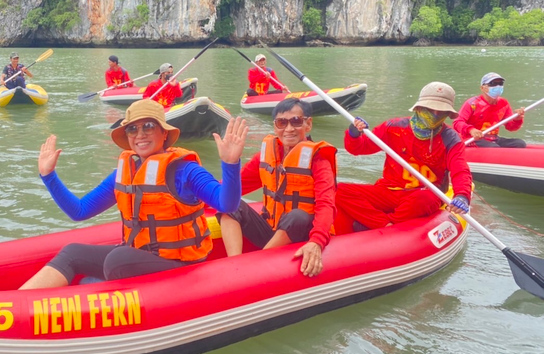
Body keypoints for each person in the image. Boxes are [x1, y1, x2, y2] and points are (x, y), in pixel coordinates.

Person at [19, 99, 248, 289]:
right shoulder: (124, 172)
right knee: (72, 253)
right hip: (137, 256)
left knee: (118, 260)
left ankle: (93, 285)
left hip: (179, 262)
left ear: (164, 133)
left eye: (148, 126)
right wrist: (48, 176)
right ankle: (20, 303)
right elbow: (80, 211)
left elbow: (226, 204)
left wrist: (231, 164)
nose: (140, 134)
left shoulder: (185, 170)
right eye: (132, 128)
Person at [334, 82, 473, 234]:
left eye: (440, 111)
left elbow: (460, 171)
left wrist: (462, 195)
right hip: (388, 190)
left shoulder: (451, 139)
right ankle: (384, 224)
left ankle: (386, 223)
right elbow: (359, 148)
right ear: (419, 108)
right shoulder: (393, 127)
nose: (434, 115)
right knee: (339, 190)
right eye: (429, 109)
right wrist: (354, 134)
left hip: (422, 193)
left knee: (425, 198)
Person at [218, 99, 336, 277]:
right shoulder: (267, 155)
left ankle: (256, 265)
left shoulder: (319, 160)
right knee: (230, 204)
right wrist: (230, 163)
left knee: (298, 216)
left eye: (296, 121)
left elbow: (326, 204)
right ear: (275, 126)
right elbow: (235, 186)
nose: (288, 129)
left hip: (301, 233)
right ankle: (236, 265)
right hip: (271, 229)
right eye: (282, 122)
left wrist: (317, 241)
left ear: (308, 124)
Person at [453, 72, 526, 148]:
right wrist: (471, 130)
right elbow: (457, 122)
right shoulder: (472, 103)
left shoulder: (504, 103)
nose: (498, 86)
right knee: (494, 148)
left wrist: (517, 119)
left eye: (500, 83)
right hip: (473, 139)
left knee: (520, 144)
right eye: (493, 83)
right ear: (482, 88)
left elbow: (511, 127)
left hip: (493, 138)